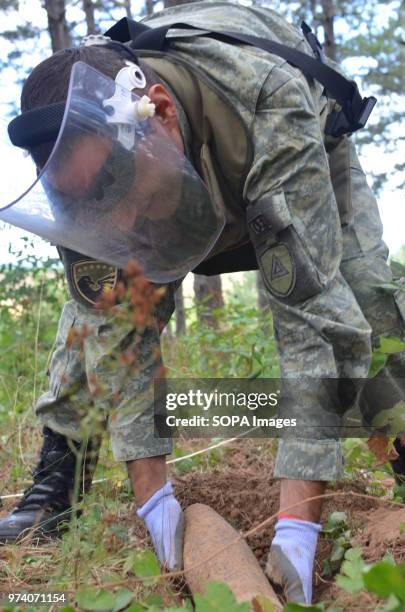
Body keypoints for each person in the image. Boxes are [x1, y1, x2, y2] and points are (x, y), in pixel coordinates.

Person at [1, 1, 404, 604]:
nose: (116, 222)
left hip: (281, 165)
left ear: (160, 113)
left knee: (368, 306)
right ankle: (59, 479)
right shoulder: (82, 177)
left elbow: (312, 319)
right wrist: (153, 493)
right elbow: (115, 328)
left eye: (118, 188)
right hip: (178, 179)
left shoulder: (267, 103)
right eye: (90, 209)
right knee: (94, 313)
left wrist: (296, 529)